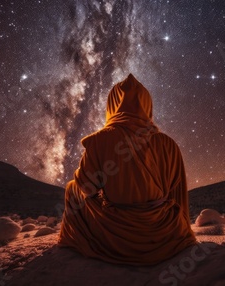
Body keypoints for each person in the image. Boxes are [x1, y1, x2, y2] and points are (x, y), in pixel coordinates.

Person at [57, 73, 196, 265]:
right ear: (147, 105)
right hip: (164, 231)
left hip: (116, 233)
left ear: (113, 105)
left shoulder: (100, 139)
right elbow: (175, 193)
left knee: (72, 188)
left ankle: (78, 242)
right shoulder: (168, 143)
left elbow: (87, 188)